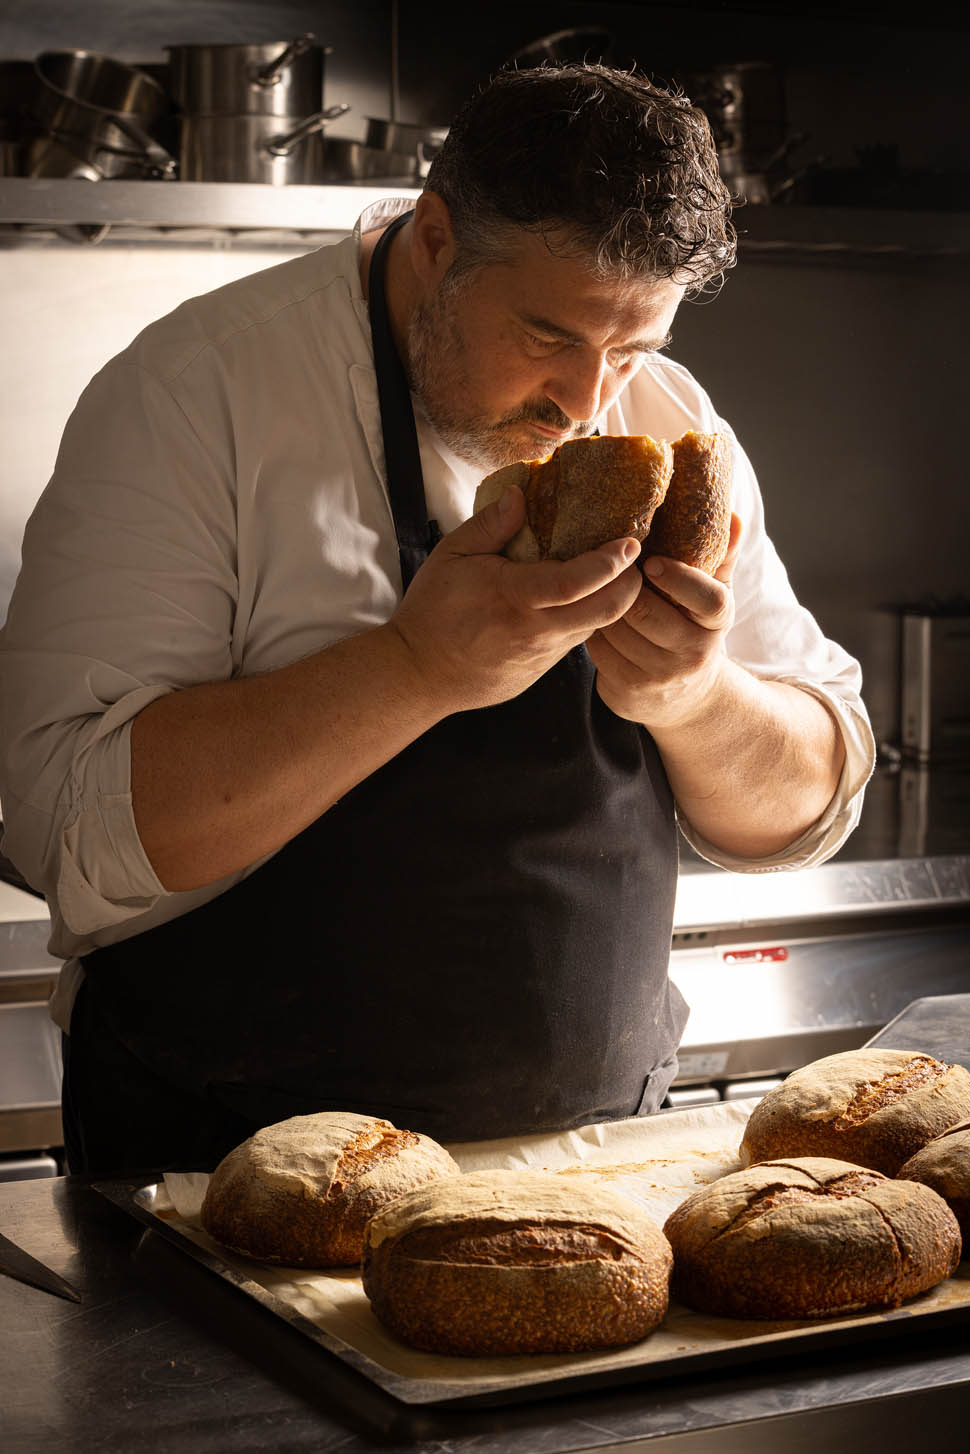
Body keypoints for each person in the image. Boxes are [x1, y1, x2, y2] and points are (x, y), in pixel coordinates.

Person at [0, 64, 874, 1176]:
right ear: (434, 235)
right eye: (548, 333)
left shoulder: (669, 418)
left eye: (634, 345)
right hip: (221, 1185)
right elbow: (68, 835)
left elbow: (810, 803)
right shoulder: (197, 394)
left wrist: (696, 698)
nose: (587, 399)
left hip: (591, 1167)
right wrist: (415, 666)